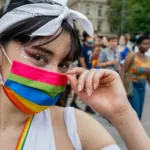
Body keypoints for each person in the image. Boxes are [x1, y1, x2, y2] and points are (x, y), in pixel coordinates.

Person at [1, 1, 150, 150]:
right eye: (39, 57)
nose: (54, 75)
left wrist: (122, 113)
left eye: (63, 64)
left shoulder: (74, 128)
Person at [122, 36, 150, 120]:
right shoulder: (132, 55)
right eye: (145, 44)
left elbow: (148, 76)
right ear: (138, 45)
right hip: (132, 85)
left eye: (149, 44)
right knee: (135, 110)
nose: (148, 46)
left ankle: (135, 129)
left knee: (140, 111)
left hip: (143, 86)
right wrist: (121, 86)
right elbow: (123, 70)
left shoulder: (148, 59)